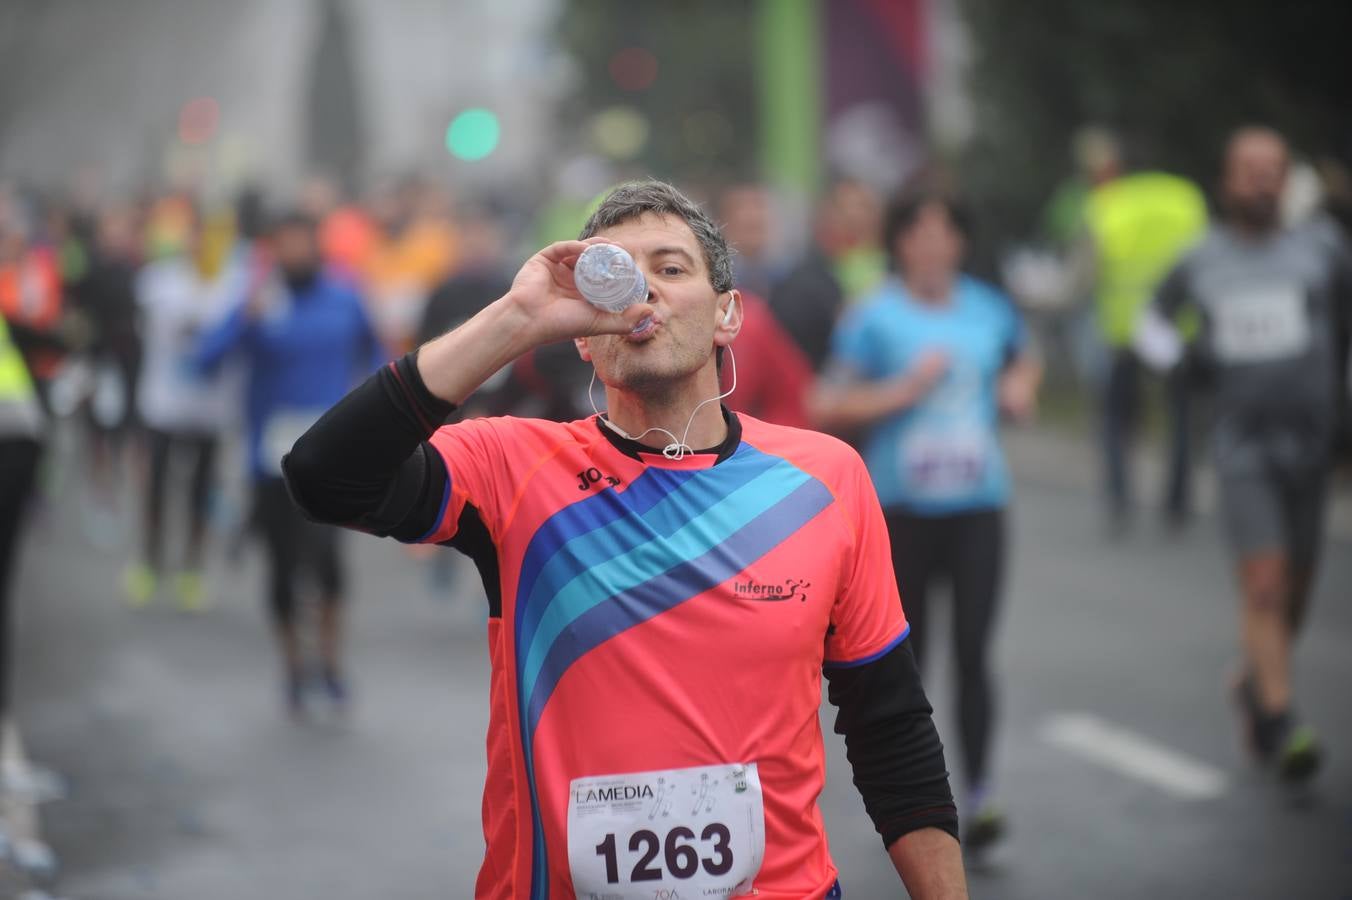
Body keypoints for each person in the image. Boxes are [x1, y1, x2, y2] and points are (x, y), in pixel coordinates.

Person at [284, 180, 966, 898]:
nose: (645, 295)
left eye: (671, 270)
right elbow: (324, 475)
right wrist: (515, 318)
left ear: (728, 314)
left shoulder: (826, 479)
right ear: (582, 332)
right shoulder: (513, 468)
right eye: (616, 278)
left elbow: (892, 728)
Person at [812, 183, 1041, 853]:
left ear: (961, 242)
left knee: (975, 650)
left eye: (947, 233)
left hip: (978, 507)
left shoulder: (989, 308)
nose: (934, 245)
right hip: (902, 511)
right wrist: (903, 392)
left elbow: (1022, 357)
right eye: (920, 232)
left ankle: (982, 792)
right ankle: (924, 803)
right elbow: (827, 402)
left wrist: (1019, 387)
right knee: (911, 657)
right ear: (901, 242)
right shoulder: (874, 315)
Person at [1136, 127, 1352, 782]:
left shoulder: (1322, 249)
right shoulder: (1201, 257)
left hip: (1312, 442)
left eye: (1273, 170)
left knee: (1299, 586)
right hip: (1241, 444)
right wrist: (1182, 364)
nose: (1260, 180)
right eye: (1248, 169)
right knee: (1264, 582)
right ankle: (1282, 719)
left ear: (1286, 181)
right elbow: (1151, 321)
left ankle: (1254, 682)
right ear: (1226, 181)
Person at [194, 211, 382, 715]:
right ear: (273, 250)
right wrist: (242, 321)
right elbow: (203, 363)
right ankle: (293, 668)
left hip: (332, 453)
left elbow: (379, 352)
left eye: (304, 243)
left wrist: (384, 414)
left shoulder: (346, 293)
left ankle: (330, 662)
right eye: (285, 245)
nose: (295, 253)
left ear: (317, 247)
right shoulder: (257, 301)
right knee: (281, 570)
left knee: (328, 564)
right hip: (271, 459)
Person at [1082, 147, 1208, 530]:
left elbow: (1088, 269)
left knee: (1116, 421)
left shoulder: (1107, 203)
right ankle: (1177, 504)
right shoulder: (1186, 197)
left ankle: (1120, 499)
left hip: (1122, 331)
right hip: (1177, 329)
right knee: (1181, 420)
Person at [125, 211, 242, 609]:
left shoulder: (234, 283)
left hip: (210, 411)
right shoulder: (158, 281)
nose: (201, 246)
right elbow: (137, 330)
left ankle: (192, 569)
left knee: (200, 493)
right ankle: (150, 563)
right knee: (156, 489)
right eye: (196, 237)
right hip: (163, 405)